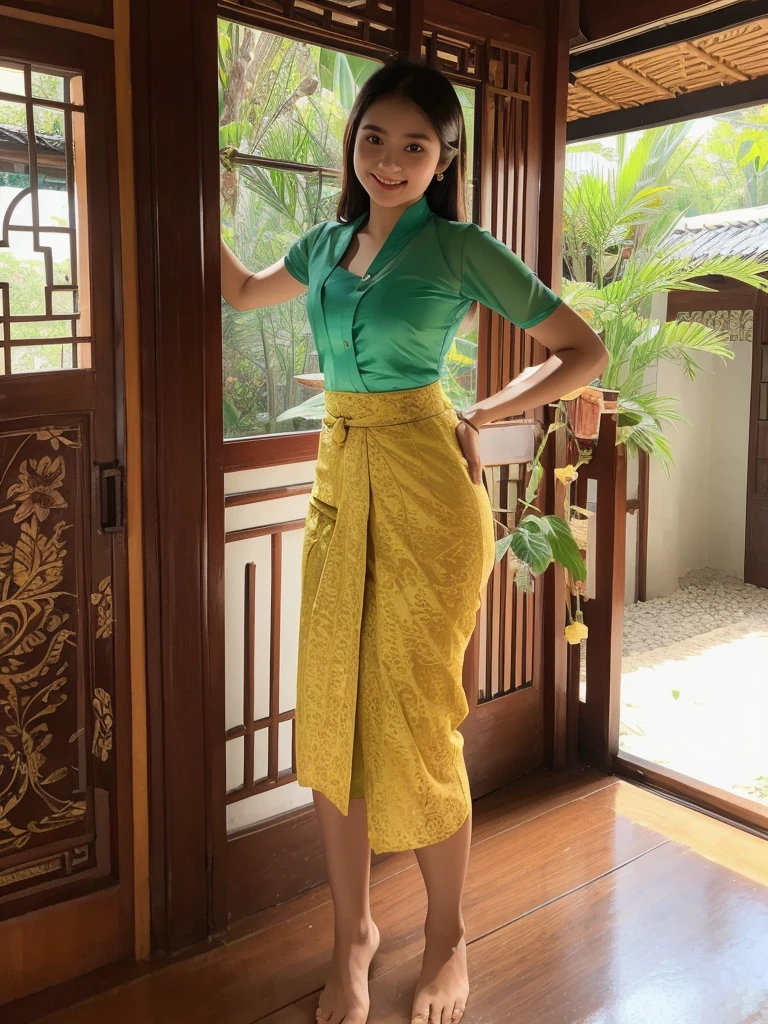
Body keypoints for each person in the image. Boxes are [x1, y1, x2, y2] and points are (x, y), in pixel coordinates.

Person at [221, 57, 607, 1024]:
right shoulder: (321, 245)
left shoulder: (459, 248)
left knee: (424, 719)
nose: (390, 161)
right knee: (332, 713)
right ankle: (352, 933)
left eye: (415, 146)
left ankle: (447, 935)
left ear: (443, 161)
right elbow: (237, 294)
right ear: (353, 147)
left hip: (431, 492)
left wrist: (493, 405)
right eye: (373, 139)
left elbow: (583, 351)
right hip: (338, 485)